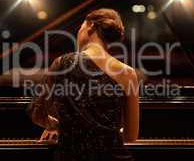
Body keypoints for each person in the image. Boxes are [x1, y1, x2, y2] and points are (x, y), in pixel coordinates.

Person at [30, 8, 139, 161]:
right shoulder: (128, 73)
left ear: (90, 26)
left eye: (80, 27)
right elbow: (131, 135)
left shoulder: (63, 63)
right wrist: (105, 134)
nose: (78, 33)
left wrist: (57, 125)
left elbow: (37, 112)